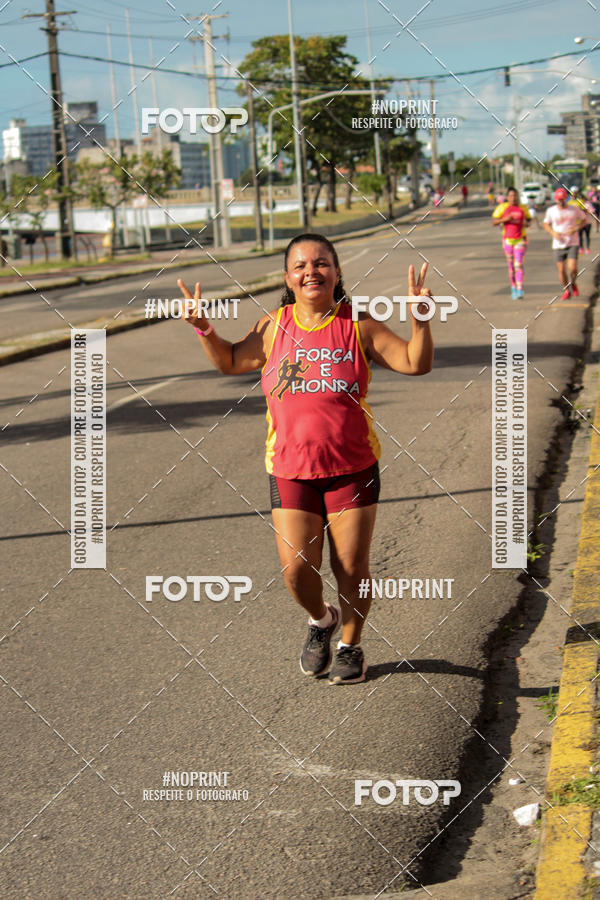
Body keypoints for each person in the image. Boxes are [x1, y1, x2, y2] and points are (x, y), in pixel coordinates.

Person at [177, 233, 434, 684]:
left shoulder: (360, 325)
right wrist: (204, 328)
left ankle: (351, 644)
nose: (310, 271)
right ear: (288, 278)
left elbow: (416, 363)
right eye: (300, 266)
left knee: (351, 566)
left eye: (321, 263)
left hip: (352, 467)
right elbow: (231, 362)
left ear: (336, 272)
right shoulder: (273, 327)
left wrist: (421, 321)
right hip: (290, 468)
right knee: (297, 570)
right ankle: (321, 620)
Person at [543, 188, 587, 299]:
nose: (560, 202)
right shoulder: (551, 211)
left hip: (573, 242)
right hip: (558, 244)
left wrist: (575, 228)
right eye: (558, 199)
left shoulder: (574, 209)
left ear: (565, 199)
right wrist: (553, 233)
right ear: (555, 199)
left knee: (572, 268)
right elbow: (546, 224)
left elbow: (584, 220)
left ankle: (573, 283)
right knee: (561, 270)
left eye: (562, 199)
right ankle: (566, 290)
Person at [492, 186, 531, 299]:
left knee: (518, 264)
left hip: (521, 238)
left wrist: (526, 223)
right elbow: (494, 221)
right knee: (511, 266)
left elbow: (528, 220)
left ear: (518, 197)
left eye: (515, 196)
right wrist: (505, 219)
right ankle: (513, 287)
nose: (513, 198)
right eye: (511, 196)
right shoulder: (502, 207)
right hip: (508, 240)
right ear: (507, 197)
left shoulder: (523, 208)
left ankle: (520, 289)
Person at [569, 187, 592, 255]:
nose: (573, 195)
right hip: (577, 222)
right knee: (580, 236)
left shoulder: (580, 201)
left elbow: (585, 210)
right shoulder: (569, 202)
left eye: (574, 194)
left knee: (587, 235)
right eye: (572, 194)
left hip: (585, 221)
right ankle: (581, 248)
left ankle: (587, 248)